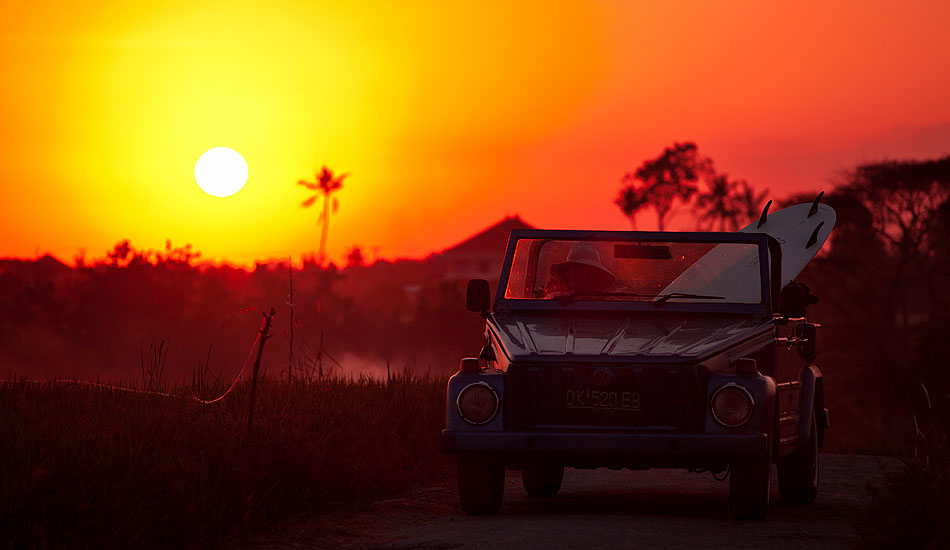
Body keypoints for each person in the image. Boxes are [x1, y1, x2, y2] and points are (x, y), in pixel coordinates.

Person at [544, 242, 615, 296]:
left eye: (581, 268)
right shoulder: (557, 299)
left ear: (594, 273)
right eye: (572, 269)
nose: (573, 273)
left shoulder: (604, 302)